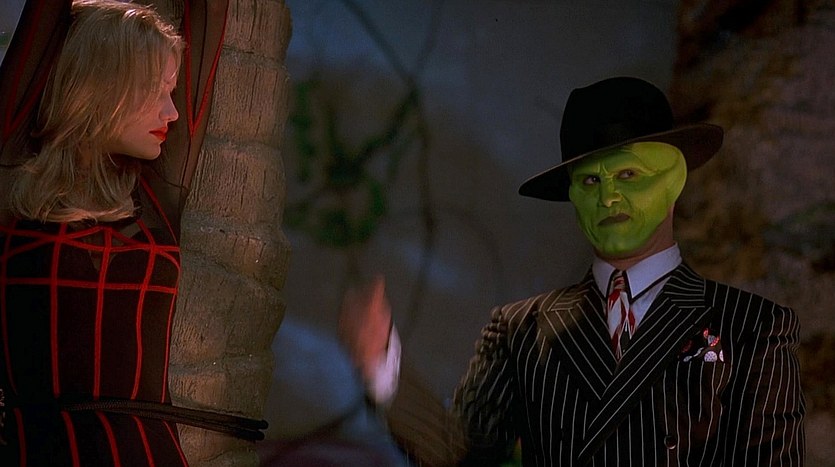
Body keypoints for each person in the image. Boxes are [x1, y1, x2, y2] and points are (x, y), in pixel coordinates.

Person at [339, 76, 806, 466]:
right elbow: (462, 454)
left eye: (627, 175)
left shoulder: (751, 325)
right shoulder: (520, 329)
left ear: (673, 179)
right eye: (590, 180)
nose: (608, 197)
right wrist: (381, 368)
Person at [0, 1, 262, 465]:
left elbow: (210, 12)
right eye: (155, 90)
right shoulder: (12, 175)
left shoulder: (155, 194)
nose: (172, 112)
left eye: (172, 90)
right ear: (106, 83)